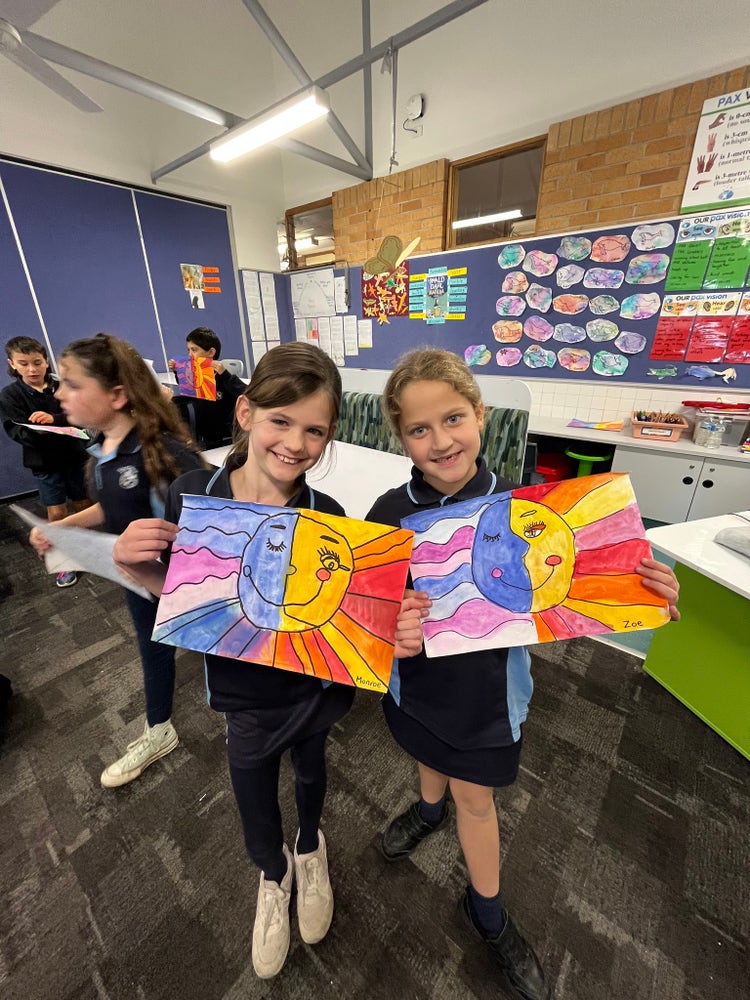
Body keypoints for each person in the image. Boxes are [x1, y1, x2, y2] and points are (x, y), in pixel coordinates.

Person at [366, 348, 681, 1000]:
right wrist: (387, 630)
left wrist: (645, 591)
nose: (439, 440)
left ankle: (487, 912)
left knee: (475, 800)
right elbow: (365, 611)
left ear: (480, 415)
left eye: (453, 418)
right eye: (418, 430)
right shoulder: (386, 513)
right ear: (401, 438)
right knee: (426, 759)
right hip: (416, 685)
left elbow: (589, 582)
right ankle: (427, 811)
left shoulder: (530, 507)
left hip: (486, 696)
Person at [111, 342, 425, 980]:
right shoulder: (195, 496)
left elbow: (349, 620)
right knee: (251, 785)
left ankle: (311, 848)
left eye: (315, 430)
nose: (296, 442)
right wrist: (132, 562)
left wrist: (388, 627)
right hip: (241, 691)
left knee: (312, 771)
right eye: (281, 421)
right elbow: (179, 602)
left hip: (311, 685)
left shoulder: (327, 517)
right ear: (246, 412)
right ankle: (272, 871)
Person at [28, 333, 205, 788]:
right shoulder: (104, 452)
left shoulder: (166, 455)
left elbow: (208, 535)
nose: (59, 393)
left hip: (182, 586)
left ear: (117, 395)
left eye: (71, 384)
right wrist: (64, 527)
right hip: (138, 583)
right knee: (154, 653)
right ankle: (159, 728)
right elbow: (113, 508)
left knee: (221, 654)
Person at [0, 336, 92, 588]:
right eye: (24, 363)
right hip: (44, 463)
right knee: (57, 512)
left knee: (84, 505)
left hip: (74, 456)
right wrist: (41, 430)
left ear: (46, 361)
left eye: (37, 362)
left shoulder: (61, 386)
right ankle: (65, 559)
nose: (32, 369)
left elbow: (79, 416)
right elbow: (17, 431)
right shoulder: (10, 395)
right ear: (12, 364)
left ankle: (89, 549)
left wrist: (53, 419)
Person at [167, 326, 246, 449]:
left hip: (224, 438)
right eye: (189, 350)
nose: (190, 355)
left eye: (194, 350)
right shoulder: (197, 375)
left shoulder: (222, 377)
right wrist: (178, 372)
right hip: (204, 436)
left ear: (211, 352)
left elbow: (246, 392)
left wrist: (225, 374)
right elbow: (188, 389)